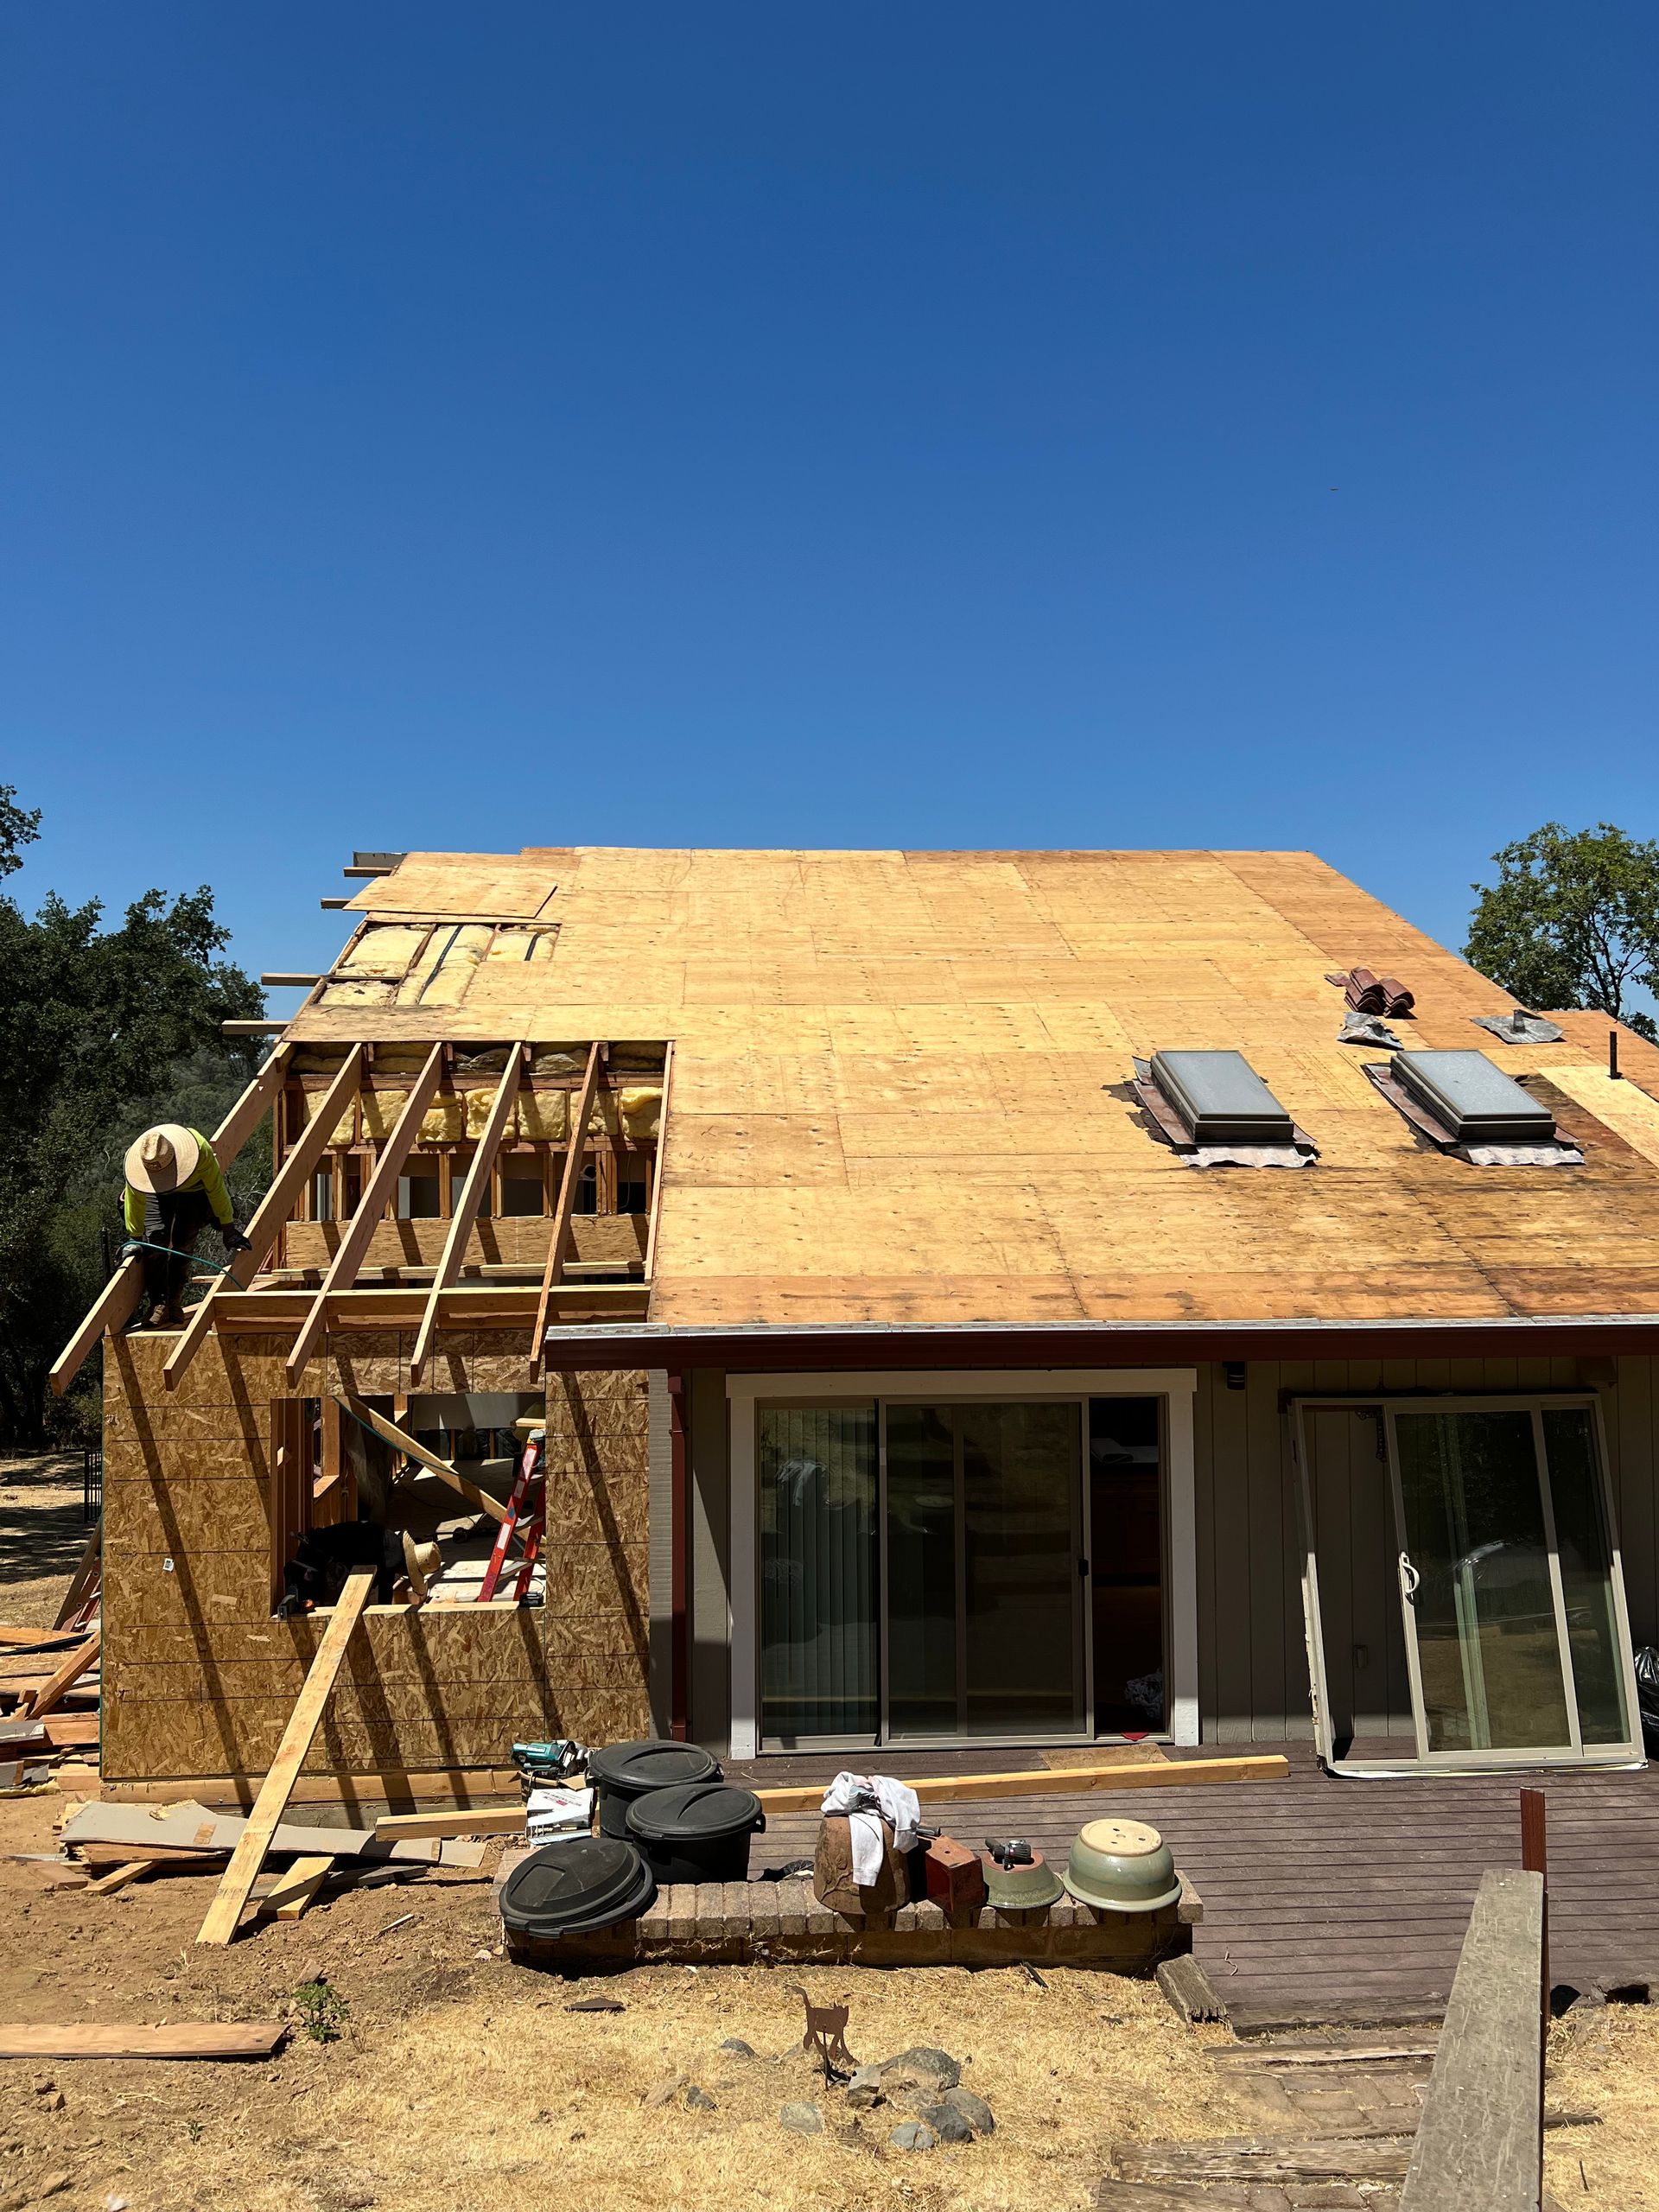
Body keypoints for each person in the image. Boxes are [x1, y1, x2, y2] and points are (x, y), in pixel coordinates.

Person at [123, 1122, 249, 1327]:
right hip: (156, 1190)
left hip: (193, 1191)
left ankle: (173, 1301)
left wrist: (229, 1228)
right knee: (156, 1242)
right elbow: (135, 1200)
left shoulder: (199, 1151)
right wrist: (135, 1238)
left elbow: (216, 1190)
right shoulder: (137, 1161)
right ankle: (158, 1304)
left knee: (183, 1242)